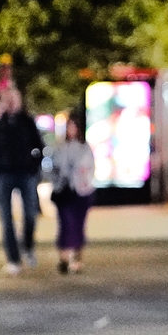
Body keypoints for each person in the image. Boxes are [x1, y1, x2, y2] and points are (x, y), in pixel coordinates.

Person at [0, 85, 44, 273]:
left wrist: (34, 166)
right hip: (4, 175)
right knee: (6, 219)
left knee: (30, 214)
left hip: (26, 173)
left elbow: (39, 146)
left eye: (14, 100)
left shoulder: (28, 123)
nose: (11, 104)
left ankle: (27, 246)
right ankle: (13, 258)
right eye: (7, 100)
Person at [46, 114, 96, 273]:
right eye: (69, 126)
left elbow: (89, 168)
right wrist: (58, 181)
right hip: (64, 191)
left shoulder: (84, 148)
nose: (71, 130)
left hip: (81, 191)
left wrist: (83, 180)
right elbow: (53, 168)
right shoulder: (60, 147)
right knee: (66, 223)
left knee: (79, 225)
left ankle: (77, 258)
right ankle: (64, 257)